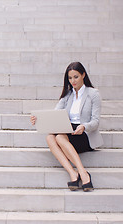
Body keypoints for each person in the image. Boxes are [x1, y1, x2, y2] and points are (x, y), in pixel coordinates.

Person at [30, 62, 103, 191]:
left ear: (83, 75)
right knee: (50, 138)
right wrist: (38, 119)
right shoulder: (67, 95)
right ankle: (73, 173)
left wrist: (84, 127)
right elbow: (55, 114)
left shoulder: (93, 94)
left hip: (85, 134)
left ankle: (83, 173)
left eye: (76, 77)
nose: (73, 81)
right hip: (68, 131)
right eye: (70, 78)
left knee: (59, 138)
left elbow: (96, 121)